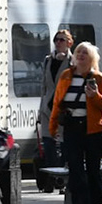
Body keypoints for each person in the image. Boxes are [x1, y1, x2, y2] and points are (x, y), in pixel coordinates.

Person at [47, 42, 102, 204]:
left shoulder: (99, 78)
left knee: (93, 169)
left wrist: (95, 96)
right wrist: (52, 126)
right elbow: (57, 103)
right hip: (72, 128)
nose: (81, 55)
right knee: (75, 169)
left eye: (85, 53)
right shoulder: (66, 76)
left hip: (94, 129)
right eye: (78, 52)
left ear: (92, 58)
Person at [35, 28, 74, 170]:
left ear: (69, 43)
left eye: (61, 40)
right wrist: (40, 109)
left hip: (64, 108)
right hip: (47, 107)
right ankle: (51, 174)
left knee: (64, 143)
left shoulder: (73, 62)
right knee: (48, 142)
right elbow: (43, 86)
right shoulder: (48, 60)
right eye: (56, 40)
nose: (58, 43)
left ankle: (63, 173)